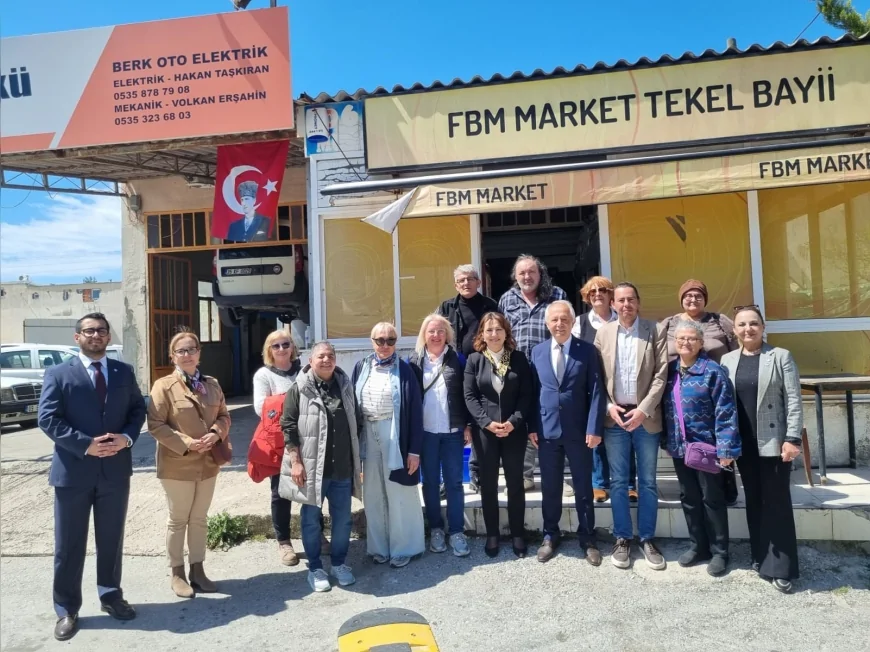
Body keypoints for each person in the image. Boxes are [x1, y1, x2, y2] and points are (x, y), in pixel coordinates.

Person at [38, 313, 146, 642]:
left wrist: (126, 438)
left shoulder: (123, 371)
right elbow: (48, 418)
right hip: (73, 472)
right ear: (77, 337)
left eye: (101, 330)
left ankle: (111, 595)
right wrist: (86, 445)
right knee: (69, 544)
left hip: (115, 471)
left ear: (108, 336)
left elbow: (137, 410)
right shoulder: (59, 373)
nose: (95, 335)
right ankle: (66, 608)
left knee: (111, 539)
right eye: (89, 331)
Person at [721, 306, 802, 593]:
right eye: (742, 324)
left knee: (776, 502)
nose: (748, 329)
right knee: (754, 500)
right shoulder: (727, 360)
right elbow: (724, 404)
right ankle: (760, 555)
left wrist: (792, 438)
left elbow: (793, 399)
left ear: (763, 326)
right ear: (734, 330)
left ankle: (782, 567)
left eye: (753, 323)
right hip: (743, 444)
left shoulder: (780, 356)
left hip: (775, 442)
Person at [147, 330, 231, 598]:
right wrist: (187, 443)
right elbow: (155, 425)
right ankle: (177, 573)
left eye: (191, 349)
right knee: (178, 519)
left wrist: (216, 433)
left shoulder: (212, 384)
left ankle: (198, 570)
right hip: (177, 464)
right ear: (172, 356)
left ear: (199, 353)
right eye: (181, 351)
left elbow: (224, 415)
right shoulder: (163, 386)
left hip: (208, 463)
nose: (187, 355)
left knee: (199, 518)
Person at [594, 282, 668, 571]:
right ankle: (622, 537)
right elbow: (596, 377)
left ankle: (647, 538)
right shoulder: (604, 333)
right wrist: (608, 406)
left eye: (631, 299)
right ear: (613, 304)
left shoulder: (654, 330)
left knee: (647, 481)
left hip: (645, 416)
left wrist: (643, 409)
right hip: (615, 417)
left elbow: (661, 374)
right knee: (617, 481)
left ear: (638, 302)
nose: (626, 305)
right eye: (621, 300)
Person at [279, 341, 361, 593]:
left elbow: (356, 423)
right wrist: (296, 461)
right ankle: (315, 567)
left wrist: (358, 462)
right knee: (311, 520)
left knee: (343, 520)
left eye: (330, 356)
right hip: (313, 469)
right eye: (321, 356)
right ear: (310, 361)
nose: (326, 360)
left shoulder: (345, 386)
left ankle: (338, 563)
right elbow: (288, 425)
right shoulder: (299, 388)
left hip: (342, 468)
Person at [663, 320, 740, 577]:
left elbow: (726, 412)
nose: (686, 342)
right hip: (680, 447)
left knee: (712, 499)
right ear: (675, 342)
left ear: (700, 343)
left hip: (707, 448)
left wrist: (726, 449)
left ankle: (720, 552)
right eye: (681, 338)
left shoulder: (712, 371)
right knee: (689, 498)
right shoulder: (670, 371)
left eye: (692, 339)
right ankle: (698, 546)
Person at [530, 301, 605, 565]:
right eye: (554, 320)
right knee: (550, 487)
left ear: (573, 322)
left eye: (564, 319)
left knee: (583, 487)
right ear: (547, 323)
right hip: (547, 431)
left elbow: (597, 391)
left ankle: (588, 538)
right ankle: (550, 535)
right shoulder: (537, 351)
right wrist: (532, 427)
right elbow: (533, 393)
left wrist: (594, 428)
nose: (559, 324)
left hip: (579, 431)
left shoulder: (587, 350)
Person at [661, 279, 740, 506]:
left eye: (698, 295)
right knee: (686, 446)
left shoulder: (719, 321)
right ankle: (692, 493)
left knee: (719, 440)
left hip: (717, 389)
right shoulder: (669, 324)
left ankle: (725, 490)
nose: (693, 299)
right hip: (681, 392)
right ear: (681, 299)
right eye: (688, 295)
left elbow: (738, 348)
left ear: (705, 299)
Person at [353, 322, 426, 568]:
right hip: (368, 432)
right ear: (371, 341)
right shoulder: (361, 366)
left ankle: (404, 548)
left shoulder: (405, 370)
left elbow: (416, 412)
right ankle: (379, 547)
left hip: (395, 433)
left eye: (390, 340)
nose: (385, 345)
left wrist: (414, 451)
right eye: (380, 340)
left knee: (399, 492)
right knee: (373, 493)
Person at [464, 312, 534, 558]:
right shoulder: (474, 360)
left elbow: (527, 395)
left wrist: (514, 422)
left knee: (515, 484)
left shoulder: (518, 359)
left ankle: (517, 534)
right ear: (482, 334)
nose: (494, 334)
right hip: (486, 433)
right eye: (489, 330)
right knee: (489, 485)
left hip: (514, 431)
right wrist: (486, 423)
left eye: (499, 329)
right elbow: (470, 396)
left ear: (506, 333)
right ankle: (492, 534)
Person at [498, 254, 568, 494]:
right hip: (517, 369)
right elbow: (502, 335)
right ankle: (524, 476)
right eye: (522, 273)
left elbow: (566, 330)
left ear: (541, 274)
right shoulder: (507, 298)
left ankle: (559, 477)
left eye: (532, 272)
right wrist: (502, 369)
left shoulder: (557, 295)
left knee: (553, 418)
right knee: (521, 420)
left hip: (550, 368)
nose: (527, 277)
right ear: (515, 277)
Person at [408, 314, 472, 557]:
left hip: (453, 431)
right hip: (426, 433)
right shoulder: (414, 361)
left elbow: (467, 394)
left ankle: (456, 531)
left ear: (448, 335)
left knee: (454, 482)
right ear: (424, 335)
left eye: (441, 331)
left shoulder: (458, 359)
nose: (436, 335)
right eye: (431, 331)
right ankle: (436, 529)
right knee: (431, 482)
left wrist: (468, 425)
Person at [572, 276, 637, 504]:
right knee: (596, 433)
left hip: (619, 385)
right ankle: (599, 483)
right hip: (592, 386)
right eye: (592, 292)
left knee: (626, 433)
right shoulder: (580, 323)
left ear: (611, 295)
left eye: (602, 290)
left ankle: (629, 484)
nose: (597, 294)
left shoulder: (622, 319)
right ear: (587, 297)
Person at [437, 263, 500, 493]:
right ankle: (448, 479)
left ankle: (478, 474)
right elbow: (436, 334)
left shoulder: (490, 306)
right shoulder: (446, 307)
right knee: (453, 420)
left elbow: (499, 334)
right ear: (456, 284)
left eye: (470, 279)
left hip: (483, 367)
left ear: (478, 282)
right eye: (461, 280)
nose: (466, 283)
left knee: (480, 419)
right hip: (454, 369)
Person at [252, 330, 308, 567]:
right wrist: (292, 402)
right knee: (281, 491)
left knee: (310, 489)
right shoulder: (264, 375)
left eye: (286, 344)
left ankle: (314, 535)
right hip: (280, 440)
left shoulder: (304, 370)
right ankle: (284, 541)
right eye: (276, 346)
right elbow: (261, 408)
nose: (282, 349)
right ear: (269, 350)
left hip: (308, 436)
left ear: (292, 347)